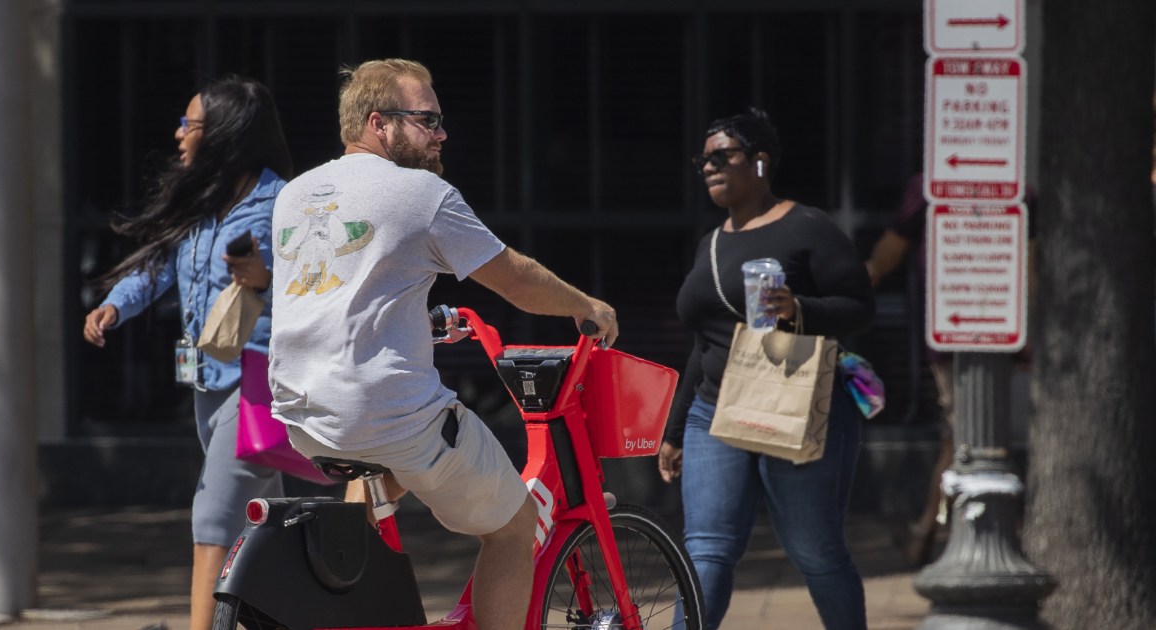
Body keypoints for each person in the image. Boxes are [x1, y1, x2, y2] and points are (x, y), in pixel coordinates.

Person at [267, 58, 618, 630]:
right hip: (384, 412)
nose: (441, 133)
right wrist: (586, 306)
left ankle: (364, 590)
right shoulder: (422, 193)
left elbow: (339, 293)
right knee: (514, 526)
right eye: (426, 120)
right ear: (379, 123)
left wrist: (416, 319)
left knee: (387, 472)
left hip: (303, 415)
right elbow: (518, 281)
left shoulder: (298, 193)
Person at [82, 76, 292, 630]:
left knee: (214, 513)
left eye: (189, 124)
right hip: (207, 380)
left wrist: (267, 276)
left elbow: (317, 281)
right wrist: (115, 306)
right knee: (266, 520)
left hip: (258, 378)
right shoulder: (201, 200)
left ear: (223, 133)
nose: (178, 134)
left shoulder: (282, 203)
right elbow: (157, 268)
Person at [657, 107, 874, 630]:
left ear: (759, 162)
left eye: (722, 156)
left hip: (794, 403)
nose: (709, 166)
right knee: (706, 549)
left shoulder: (807, 227)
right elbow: (703, 343)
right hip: (714, 411)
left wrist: (800, 309)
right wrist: (675, 427)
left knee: (815, 552)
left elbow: (861, 307)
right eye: (702, 159)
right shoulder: (710, 243)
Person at [865, 173, 1038, 566]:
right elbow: (889, 252)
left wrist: (1025, 327)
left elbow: (1028, 259)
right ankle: (951, 529)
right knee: (967, 432)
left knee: (968, 434)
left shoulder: (1015, 189)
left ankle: (943, 529)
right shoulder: (931, 185)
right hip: (959, 327)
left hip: (990, 326)